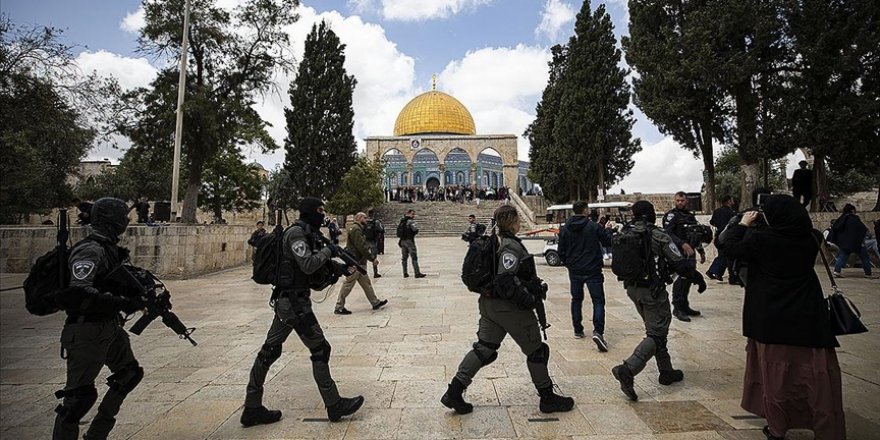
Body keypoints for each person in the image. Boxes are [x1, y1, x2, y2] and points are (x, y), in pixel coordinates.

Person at [721, 195, 845, 440]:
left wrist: (743, 223)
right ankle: (825, 429)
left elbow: (728, 246)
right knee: (815, 379)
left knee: (776, 381)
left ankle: (778, 430)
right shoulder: (812, 238)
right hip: (808, 316)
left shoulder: (762, 239)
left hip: (772, 318)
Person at [241, 197, 364, 427]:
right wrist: (329, 251)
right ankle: (334, 404)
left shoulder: (309, 232)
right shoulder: (296, 234)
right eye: (319, 210)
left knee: (269, 351)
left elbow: (310, 269)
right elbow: (307, 264)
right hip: (294, 304)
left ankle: (252, 407)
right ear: (308, 212)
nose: (323, 213)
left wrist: (340, 268)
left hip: (289, 302)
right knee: (320, 348)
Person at [441, 205, 574, 415]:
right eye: (517, 219)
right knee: (537, 351)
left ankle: (454, 392)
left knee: (484, 349)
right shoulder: (510, 246)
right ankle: (547, 398)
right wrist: (529, 299)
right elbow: (506, 278)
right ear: (512, 222)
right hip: (510, 309)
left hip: (489, 305)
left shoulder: (493, 241)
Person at [52, 197, 147, 440]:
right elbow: (79, 292)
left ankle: (96, 435)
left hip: (109, 327)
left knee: (129, 374)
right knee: (78, 398)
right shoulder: (90, 249)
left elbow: (112, 281)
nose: (126, 220)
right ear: (111, 220)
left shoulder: (110, 249)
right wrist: (123, 302)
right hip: (86, 331)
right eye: (122, 216)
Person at [610, 201, 707, 402]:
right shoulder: (657, 234)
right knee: (656, 332)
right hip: (652, 292)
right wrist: (696, 276)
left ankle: (666, 371)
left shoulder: (625, 231)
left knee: (656, 330)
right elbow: (679, 263)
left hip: (632, 289)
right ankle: (628, 369)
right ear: (651, 214)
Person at [557, 201, 613, 351]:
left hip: (575, 270)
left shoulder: (565, 229)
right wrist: (607, 230)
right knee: (598, 301)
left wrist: (569, 263)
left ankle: (578, 329)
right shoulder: (594, 227)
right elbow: (608, 241)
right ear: (586, 210)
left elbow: (560, 250)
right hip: (593, 270)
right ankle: (598, 332)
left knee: (576, 299)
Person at [663, 191, 706, 322]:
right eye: (678, 201)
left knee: (688, 278)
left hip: (690, 252)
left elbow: (695, 234)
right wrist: (682, 244)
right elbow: (668, 233)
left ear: (686, 201)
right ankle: (677, 308)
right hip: (677, 252)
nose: (680, 203)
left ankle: (684, 306)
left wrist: (701, 250)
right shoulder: (671, 216)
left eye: (682, 201)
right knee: (681, 279)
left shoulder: (689, 216)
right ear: (674, 201)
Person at [334, 212, 389, 315]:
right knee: (348, 284)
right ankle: (339, 306)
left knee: (366, 283)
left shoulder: (357, 228)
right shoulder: (356, 229)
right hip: (356, 262)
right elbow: (361, 246)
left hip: (359, 262)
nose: (366, 219)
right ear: (359, 218)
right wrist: (372, 258)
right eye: (364, 217)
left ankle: (375, 302)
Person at [829, 203, 876, 278]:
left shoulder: (841, 218)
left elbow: (836, 229)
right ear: (852, 210)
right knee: (865, 257)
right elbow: (862, 229)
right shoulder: (854, 219)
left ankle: (836, 271)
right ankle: (868, 274)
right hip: (857, 242)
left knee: (842, 256)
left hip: (845, 243)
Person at [706, 195, 738, 283]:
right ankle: (714, 271)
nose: (733, 201)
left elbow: (712, 222)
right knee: (726, 255)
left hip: (718, 236)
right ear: (728, 201)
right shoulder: (732, 212)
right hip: (727, 236)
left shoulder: (717, 211)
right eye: (731, 200)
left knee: (722, 255)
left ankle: (715, 272)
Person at [397, 209, 425, 278]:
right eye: (412, 214)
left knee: (404, 258)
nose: (413, 216)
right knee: (414, 257)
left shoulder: (402, 221)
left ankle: (405, 272)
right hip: (409, 241)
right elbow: (415, 230)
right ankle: (417, 272)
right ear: (408, 213)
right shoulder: (410, 221)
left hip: (402, 241)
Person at [365, 209, 385, 278]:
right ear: (373, 214)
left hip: (365, 241)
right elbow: (381, 230)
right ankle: (375, 273)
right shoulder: (376, 221)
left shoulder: (365, 221)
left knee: (363, 257)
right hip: (372, 242)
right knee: (374, 258)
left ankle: (362, 272)